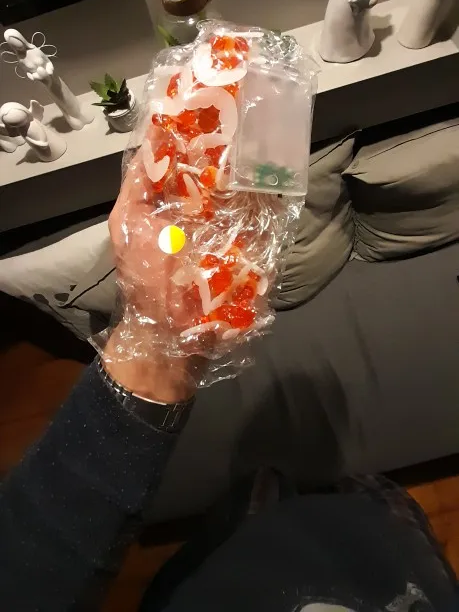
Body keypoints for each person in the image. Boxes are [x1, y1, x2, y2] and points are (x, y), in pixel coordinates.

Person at [0, 152, 457, 612]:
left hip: (240, 572)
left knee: (255, 519)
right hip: (392, 567)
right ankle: (328, 501)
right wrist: (158, 344)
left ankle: (264, 500)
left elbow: (25, 573)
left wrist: (158, 345)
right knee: (372, 518)